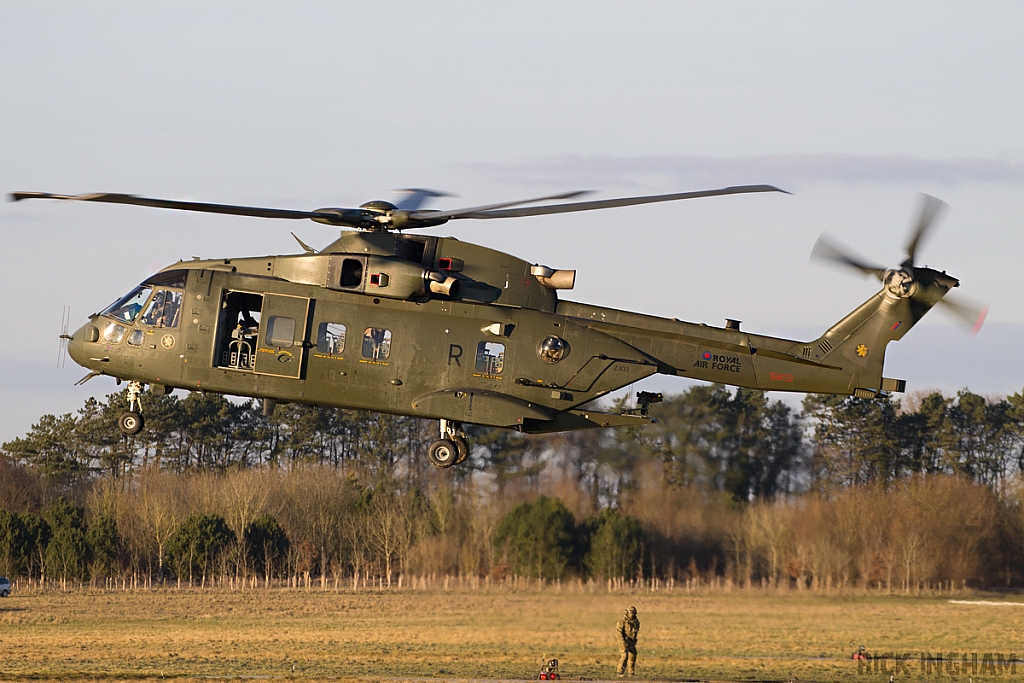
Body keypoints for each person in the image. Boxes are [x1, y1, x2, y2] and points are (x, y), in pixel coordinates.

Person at [616, 605, 640, 677]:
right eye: (630, 611)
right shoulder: (622, 621)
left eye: (633, 612)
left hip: (631, 642)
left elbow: (635, 632)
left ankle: (631, 673)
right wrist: (623, 641)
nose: (631, 613)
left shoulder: (636, 622)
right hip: (624, 641)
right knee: (624, 656)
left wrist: (634, 641)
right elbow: (619, 632)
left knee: (633, 655)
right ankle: (620, 672)